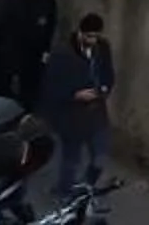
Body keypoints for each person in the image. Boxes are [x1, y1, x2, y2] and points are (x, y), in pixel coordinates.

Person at [41, 14, 114, 195]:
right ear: (80, 33)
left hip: (96, 112)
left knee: (100, 157)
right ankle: (64, 191)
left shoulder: (102, 48)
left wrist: (104, 89)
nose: (92, 40)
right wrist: (74, 95)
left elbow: (108, 73)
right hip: (71, 115)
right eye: (89, 36)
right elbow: (51, 85)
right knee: (71, 159)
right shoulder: (62, 53)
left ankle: (85, 187)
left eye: (95, 36)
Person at [0, 0, 59, 110]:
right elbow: (51, 21)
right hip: (35, 49)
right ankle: (26, 116)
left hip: (12, 47)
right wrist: (45, 46)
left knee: (5, 85)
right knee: (31, 88)